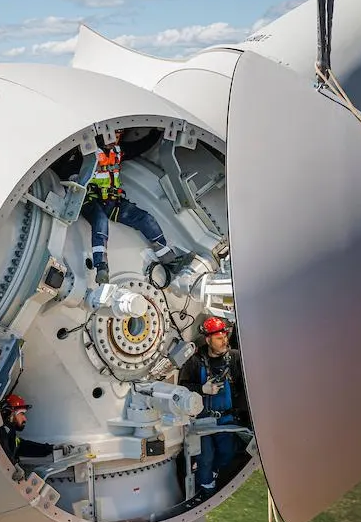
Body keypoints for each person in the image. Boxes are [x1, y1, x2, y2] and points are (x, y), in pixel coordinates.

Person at [81, 130, 192, 284]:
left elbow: (140, 146)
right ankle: (101, 267)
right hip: (91, 202)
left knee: (145, 219)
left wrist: (156, 133)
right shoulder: (87, 154)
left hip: (113, 202)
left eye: (118, 135)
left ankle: (169, 259)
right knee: (100, 223)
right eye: (113, 135)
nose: (115, 138)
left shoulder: (119, 151)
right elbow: (66, 169)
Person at [179, 316, 247, 496]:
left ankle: (213, 475)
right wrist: (202, 389)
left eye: (225, 336)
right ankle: (206, 490)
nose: (224, 340)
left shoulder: (234, 359)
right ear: (208, 340)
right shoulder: (195, 361)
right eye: (219, 338)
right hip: (202, 420)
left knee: (227, 454)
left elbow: (245, 386)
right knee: (205, 458)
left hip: (226, 419)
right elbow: (182, 387)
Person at [0, 394, 56, 466]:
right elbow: (5, 457)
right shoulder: (1, 432)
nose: (25, 419)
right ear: (9, 413)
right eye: (22, 414)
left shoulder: (9, 433)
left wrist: (51, 448)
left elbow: (22, 446)